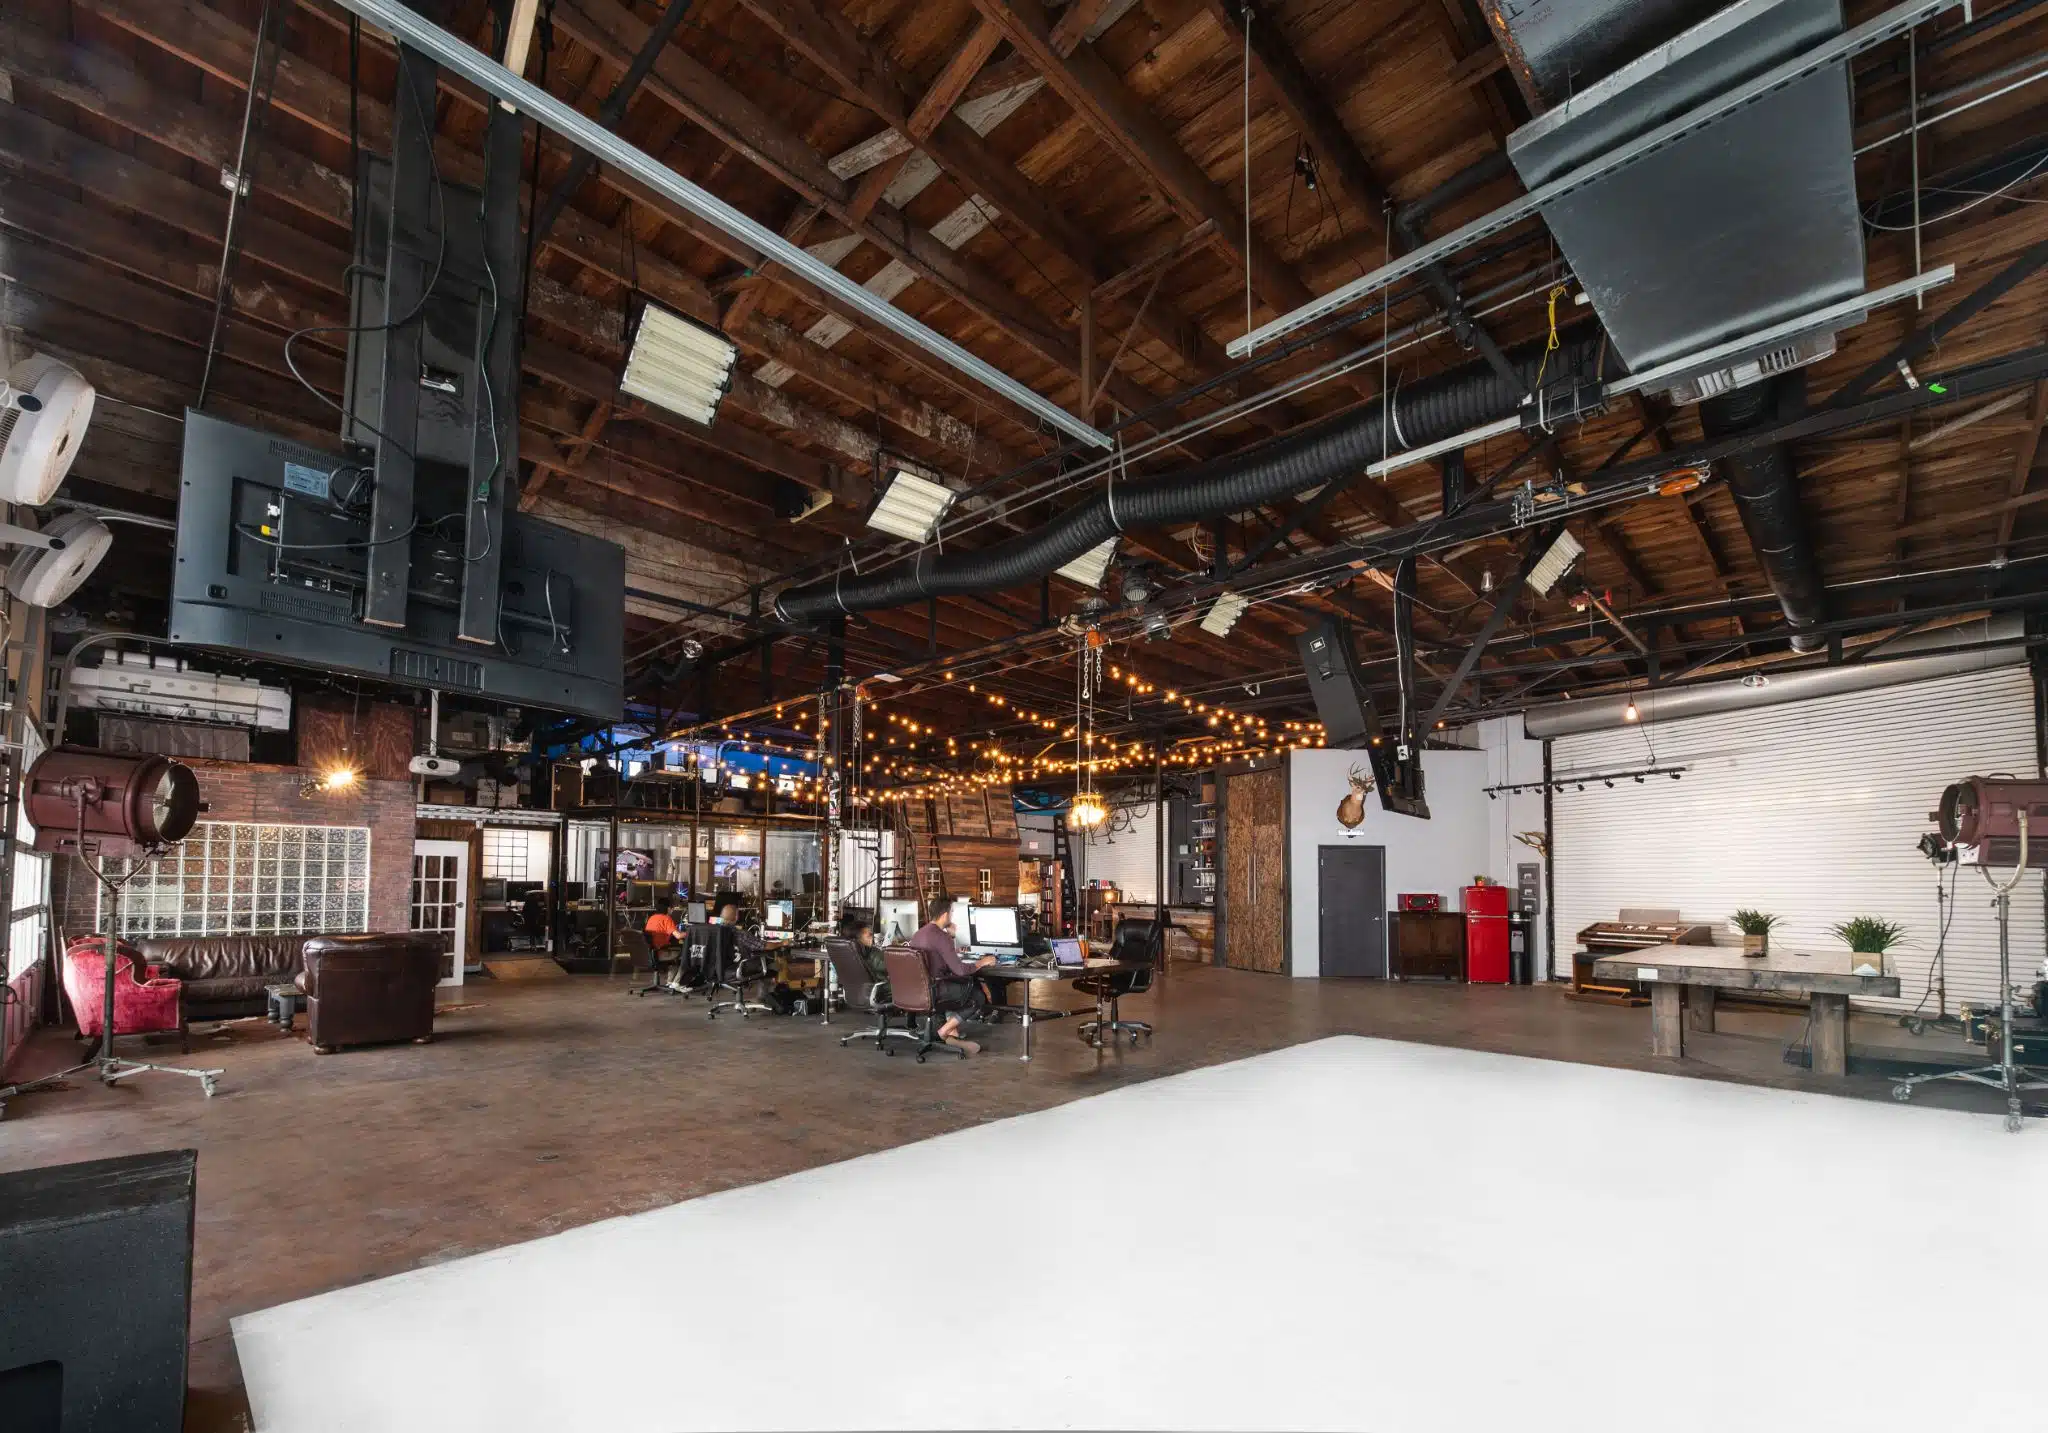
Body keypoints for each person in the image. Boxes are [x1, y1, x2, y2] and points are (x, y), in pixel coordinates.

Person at [908, 907, 995, 1054]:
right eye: (952, 913)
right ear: (945, 914)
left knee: (959, 987)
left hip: (919, 989)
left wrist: (952, 951)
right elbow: (960, 970)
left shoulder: (918, 934)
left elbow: (932, 957)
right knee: (977, 996)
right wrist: (982, 962)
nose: (952, 916)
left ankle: (951, 1031)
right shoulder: (941, 936)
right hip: (935, 988)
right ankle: (944, 1030)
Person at [840, 915, 886, 984]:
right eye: (869, 935)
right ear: (857, 940)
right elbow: (895, 968)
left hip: (857, 991)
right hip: (882, 989)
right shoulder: (874, 954)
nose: (872, 938)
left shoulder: (847, 954)